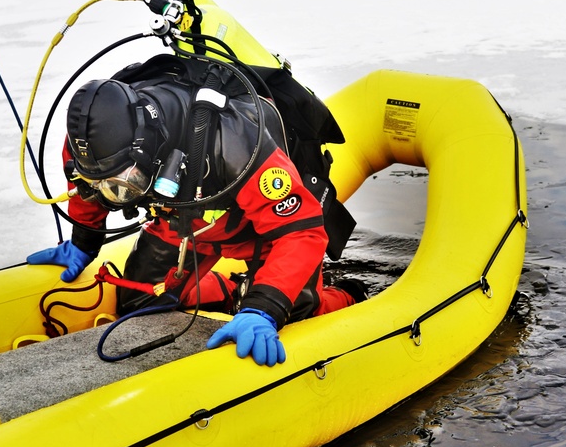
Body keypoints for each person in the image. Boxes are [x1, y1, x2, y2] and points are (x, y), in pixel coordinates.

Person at [27, 55, 367, 367]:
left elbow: (300, 232)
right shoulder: (88, 148)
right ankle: (237, 292)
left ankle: (349, 295)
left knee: (295, 313)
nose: (115, 195)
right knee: (137, 305)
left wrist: (264, 308)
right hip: (183, 220)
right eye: (102, 183)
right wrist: (84, 241)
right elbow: (85, 189)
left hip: (259, 228)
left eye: (124, 183)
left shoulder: (235, 143)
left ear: (148, 151)